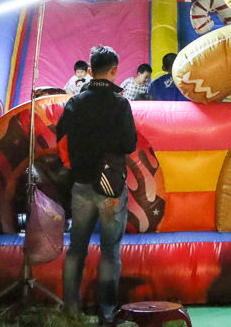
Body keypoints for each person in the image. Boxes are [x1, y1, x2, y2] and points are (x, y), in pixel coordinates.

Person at [56, 46, 138, 323]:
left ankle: (70, 311)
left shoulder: (75, 103)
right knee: (110, 252)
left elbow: (61, 137)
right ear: (114, 70)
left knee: (76, 247)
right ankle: (106, 314)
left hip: (80, 185)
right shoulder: (120, 104)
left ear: (90, 71)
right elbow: (130, 143)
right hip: (111, 188)